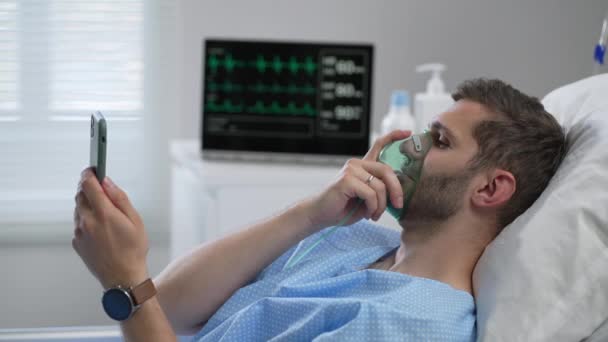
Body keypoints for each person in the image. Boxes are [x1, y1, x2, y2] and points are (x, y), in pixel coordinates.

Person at [72, 78, 566, 341]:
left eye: (437, 140)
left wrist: (122, 277)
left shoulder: (409, 326)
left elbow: (146, 304)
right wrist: (311, 214)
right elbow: (173, 309)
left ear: (491, 189)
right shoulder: (359, 238)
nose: (405, 145)